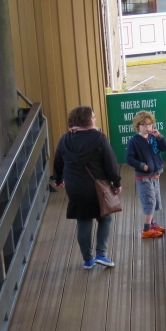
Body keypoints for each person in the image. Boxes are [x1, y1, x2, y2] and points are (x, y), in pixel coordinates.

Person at [52, 106, 121, 269]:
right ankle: (101, 254)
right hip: (97, 187)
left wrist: (58, 179)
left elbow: (58, 161)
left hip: (74, 187)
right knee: (105, 217)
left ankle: (88, 260)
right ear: (87, 120)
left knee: (83, 220)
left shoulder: (65, 139)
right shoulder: (99, 138)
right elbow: (110, 162)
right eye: (93, 117)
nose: (95, 119)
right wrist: (116, 182)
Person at [126, 111, 166, 239]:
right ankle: (146, 229)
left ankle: (152, 224)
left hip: (155, 174)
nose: (147, 127)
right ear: (138, 126)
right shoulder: (134, 141)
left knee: (154, 200)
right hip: (143, 177)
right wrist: (142, 166)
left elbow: (165, 147)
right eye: (144, 125)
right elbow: (129, 158)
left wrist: (159, 136)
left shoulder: (153, 138)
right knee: (149, 201)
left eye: (149, 124)